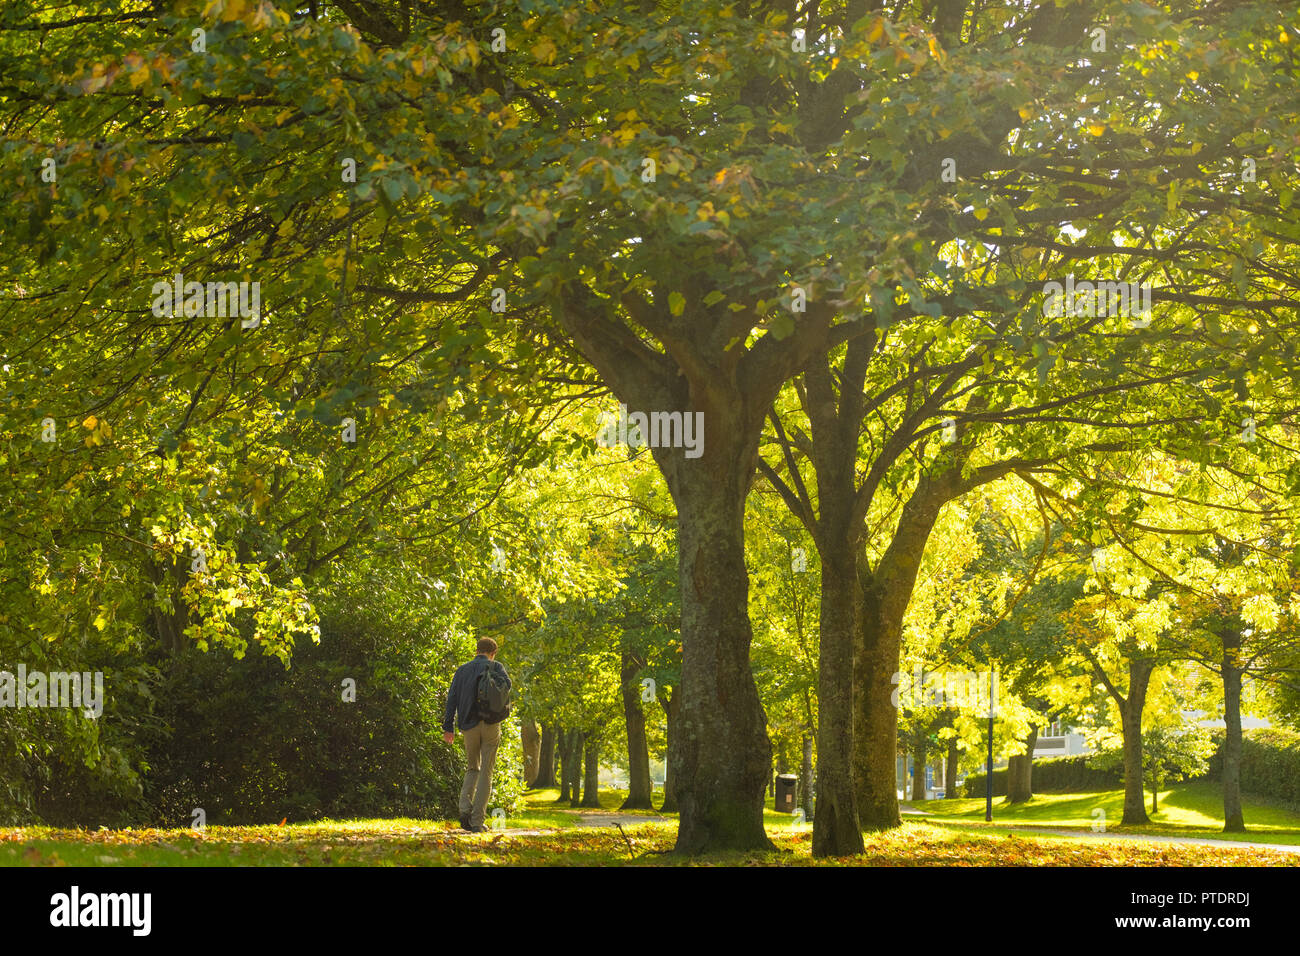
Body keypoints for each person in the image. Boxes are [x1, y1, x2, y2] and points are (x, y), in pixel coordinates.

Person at [442, 637, 512, 832]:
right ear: (493, 653)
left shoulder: (462, 670)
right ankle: (477, 822)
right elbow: (508, 687)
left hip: (468, 725)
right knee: (486, 772)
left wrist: (449, 727)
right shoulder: (496, 666)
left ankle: (464, 810)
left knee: (473, 768)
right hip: (491, 725)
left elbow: (452, 698)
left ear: (476, 650)